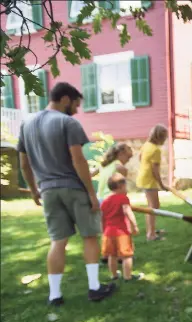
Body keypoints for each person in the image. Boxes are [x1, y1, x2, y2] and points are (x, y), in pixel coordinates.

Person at [17, 82, 117, 305]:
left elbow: (24, 164)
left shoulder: (26, 124)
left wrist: (35, 191)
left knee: (57, 241)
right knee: (89, 236)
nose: (76, 110)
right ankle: (94, 288)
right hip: (73, 188)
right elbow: (78, 160)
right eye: (75, 104)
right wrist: (91, 194)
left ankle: (55, 295)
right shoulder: (67, 122)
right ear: (64, 99)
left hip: (48, 190)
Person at [101, 173, 144, 281]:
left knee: (112, 255)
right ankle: (128, 277)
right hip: (121, 232)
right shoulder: (123, 198)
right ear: (121, 186)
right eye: (125, 186)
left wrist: (103, 230)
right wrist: (134, 226)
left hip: (108, 232)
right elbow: (127, 211)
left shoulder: (105, 201)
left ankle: (114, 275)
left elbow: (102, 217)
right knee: (127, 255)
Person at [135, 124, 168, 241]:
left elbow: (139, 157)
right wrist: (162, 184)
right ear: (161, 136)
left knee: (153, 206)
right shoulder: (156, 150)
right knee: (153, 207)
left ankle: (152, 229)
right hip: (149, 180)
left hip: (144, 177)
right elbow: (155, 170)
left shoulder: (147, 145)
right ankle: (151, 235)